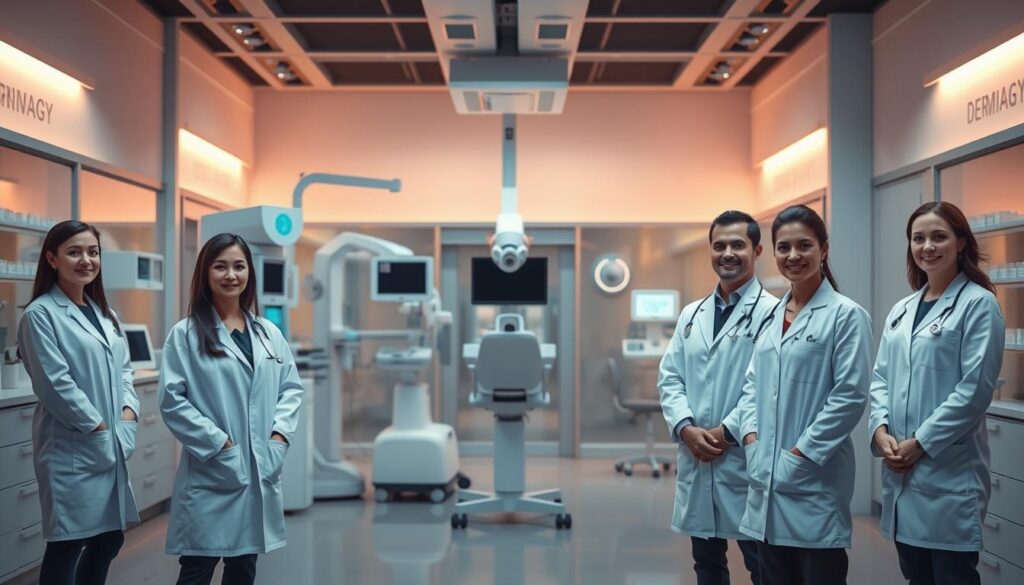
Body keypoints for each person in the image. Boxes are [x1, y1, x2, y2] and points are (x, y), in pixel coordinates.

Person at [735, 205, 872, 585]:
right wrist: (750, 439)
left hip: (814, 478)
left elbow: (849, 395)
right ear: (774, 253)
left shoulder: (846, 315)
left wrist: (801, 454)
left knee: (818, 576)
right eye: (783, 247)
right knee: (771, 575)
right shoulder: (771, 316)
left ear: (823, 249)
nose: (793, 256)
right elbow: (752, 386)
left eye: (803, 245)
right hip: (765, 475)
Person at [869, 201, 1005, 585]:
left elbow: (974, 392)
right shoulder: (902, 309)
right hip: (900, 467)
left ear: (961, 242)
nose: (927, 246)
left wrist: (921, 443)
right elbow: (881, 377)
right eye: (918, 238)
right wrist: (880, 432)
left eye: (939, 237)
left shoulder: (979, 305)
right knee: (916, 575)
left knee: (952, 576)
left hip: (947, 472)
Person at [159, 233, 303, 585]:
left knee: (243, 567)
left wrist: (279, 436)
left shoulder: (268, 333)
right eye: (220, 266)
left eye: (239, 266)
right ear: (205, 273)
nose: (230, 275)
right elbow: (172, 401)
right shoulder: (186, 334)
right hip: (214, 467)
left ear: (249, 274)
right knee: (197, 568)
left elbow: (291, 389)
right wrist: (219, 443)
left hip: (259, 466)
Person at [658, 210, 777, 585]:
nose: (727, 253)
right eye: (719, 245)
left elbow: (766, 387)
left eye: (737, 245)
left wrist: (726, 432)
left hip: (743, 454)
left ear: (757, 250)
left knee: (761, 563)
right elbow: (670, 376)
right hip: (697, 454)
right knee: (706, 563)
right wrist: (685, 427)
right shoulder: (692, 315)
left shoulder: (773, 313)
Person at [17, 220, 139, 585]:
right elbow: (55, 385)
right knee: (69, 542)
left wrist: (129, 412)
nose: (86, 260)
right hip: (74, 446)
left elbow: (125, 371)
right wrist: (99, 426)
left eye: (92, 252)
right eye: (74, 252)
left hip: (109, 440)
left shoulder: (106, 314)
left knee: (108, 538)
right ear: (52, 259)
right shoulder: (40, 314)